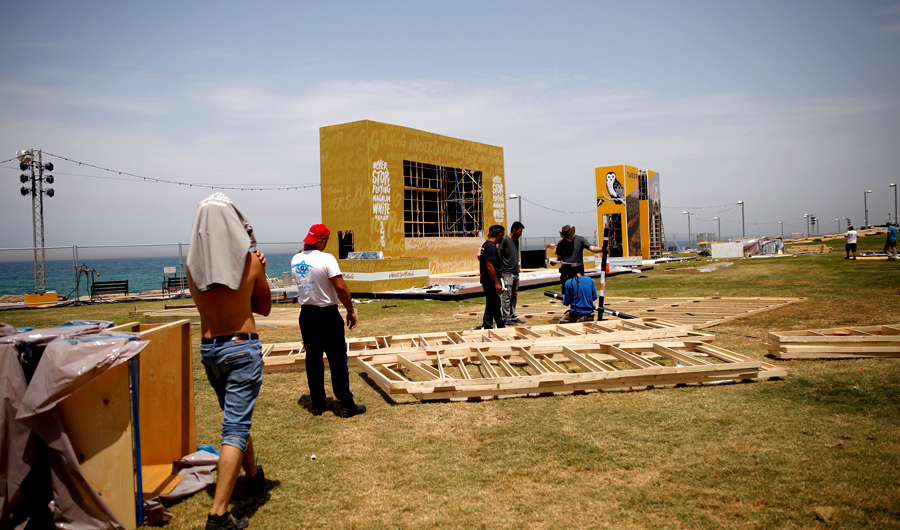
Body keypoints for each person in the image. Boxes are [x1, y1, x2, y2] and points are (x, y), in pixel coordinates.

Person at [185, 193, 269, 530]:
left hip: (209, 349)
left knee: (235, 417)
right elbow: (263, 308)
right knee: (234, 427)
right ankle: (219, 515)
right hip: (240, 346)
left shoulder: (192, 262)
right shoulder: (250, 262)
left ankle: (251, 474)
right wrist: (259, 270)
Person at [291, 224, 366, 418]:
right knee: (337, 359)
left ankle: (317, 404)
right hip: (327, 314)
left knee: (313, 359)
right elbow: (340, 288)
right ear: (323, 241)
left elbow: (303, 253)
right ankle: (346, 404)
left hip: (306, 314)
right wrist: (350, 310)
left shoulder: (295, 259)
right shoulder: (327, 259)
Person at [479, 225, 506, 329]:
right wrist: (496, 283)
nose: (503, 238)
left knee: (492, 303)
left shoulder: (486, 245)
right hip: (490, 281)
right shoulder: (491, 247)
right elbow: (489, 266)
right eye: (502, 235)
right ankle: (497, 325)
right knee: (494, 303)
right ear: (499, 235)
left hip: (488, 279)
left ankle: (489, 325)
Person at [499, 221, 525, 326]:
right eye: (519, 231)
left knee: (514, 295)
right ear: (514, 230)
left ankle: (512, 315)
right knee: (507, 295)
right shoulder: (505, 240)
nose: (521, 233)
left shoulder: (516, 241)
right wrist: (501, 271)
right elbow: (499, 255)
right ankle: (506, 318)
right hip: (507, 273)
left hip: (515, 272)